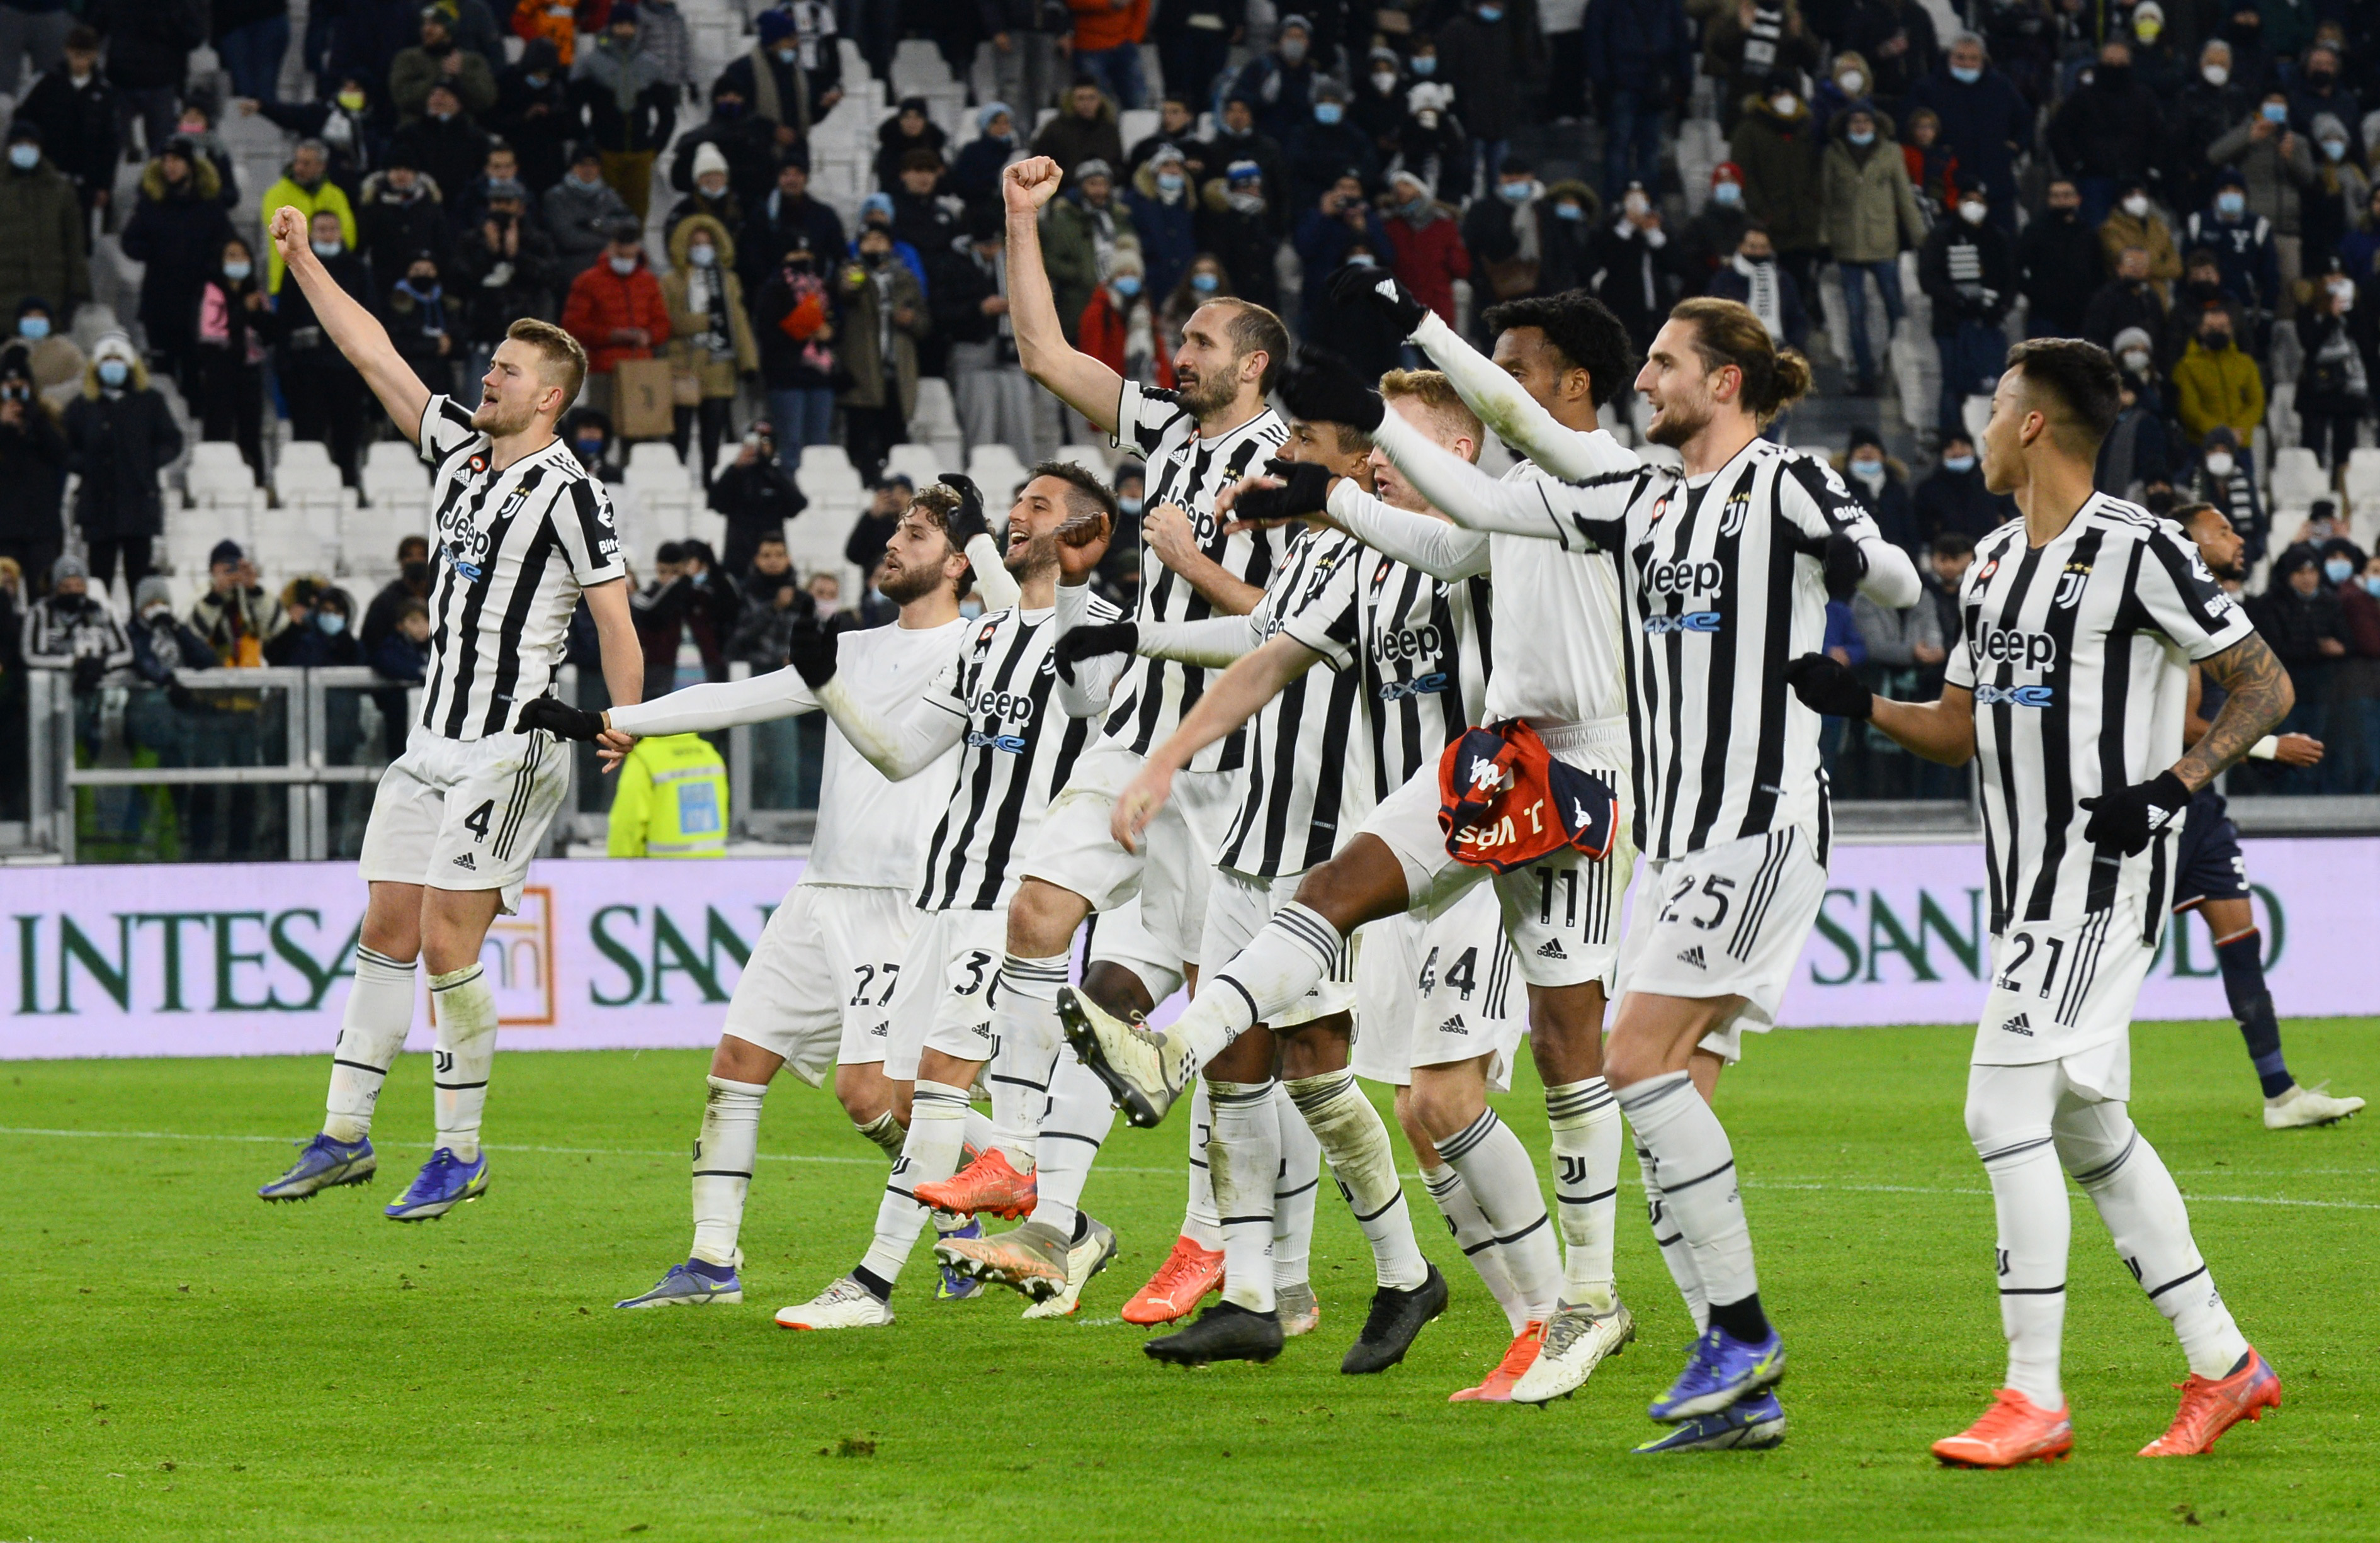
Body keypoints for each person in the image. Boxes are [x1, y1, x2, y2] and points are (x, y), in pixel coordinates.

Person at [1142, 292, 1918, 1441]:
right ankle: (1180, 1045)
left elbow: (1470, 486)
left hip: (1592, 769)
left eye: (1517, 369)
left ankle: (1602, 1303)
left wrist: (1406, 358)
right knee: (1345, 902)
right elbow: (1451, 535)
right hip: (1502, 752)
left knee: (1581, 1053)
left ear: (1564, 384)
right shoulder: (1557, 493)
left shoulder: (1615, 478)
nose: (1496, 386)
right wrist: (1338, 494)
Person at [1794, 338, 2289, 1467]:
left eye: (1992, 405)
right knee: (2089, 1129)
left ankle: (2033, 1396)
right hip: (2024, 887)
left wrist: (2173, 786)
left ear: (2031, 423)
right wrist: (1862, 703)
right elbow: (1961, 728)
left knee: (1997, 1114)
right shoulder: (1993, 563)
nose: (1977, 425)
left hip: (2103, 881)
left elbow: (2265, 681)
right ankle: (2225, 1361)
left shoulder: (2141, 548)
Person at [523, 480, 1009, 1313]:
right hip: (819, 891)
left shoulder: (984, 648)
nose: (894, 542)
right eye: (897, 529)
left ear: (960, 562)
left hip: (906, 901)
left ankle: (1015, 1200)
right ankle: (713, 1260)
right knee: (737, 1064)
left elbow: (1026, 615)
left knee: (876, 1096)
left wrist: (983, 536)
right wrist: (615, 716)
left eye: (919, 534)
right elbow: (730, 700)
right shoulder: (850, 649)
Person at [252, 195, 644, 1221]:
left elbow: (616, 621)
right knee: (385, 926)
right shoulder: (465, 452)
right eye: (492, 366)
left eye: (508, 371)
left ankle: (460, 1150)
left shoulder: (574, 495)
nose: (488, 376)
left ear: (550, 396)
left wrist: (630, 721)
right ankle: (344, 1135)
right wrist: (302, 260)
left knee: (445, 944)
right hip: (432, 743)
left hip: (509, 752)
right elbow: (374, 353)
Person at [759, 473, 1125, 1332]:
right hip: (941, 887)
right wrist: (830, 689)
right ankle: (1065, 1223)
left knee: (938, 1082)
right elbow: (900, 753)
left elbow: (1103, 727)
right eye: (1016, 504)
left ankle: (872, 1282)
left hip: (1018, 894)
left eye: (1039, 505)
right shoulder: (988, 635)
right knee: (887, 1087)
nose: (1017, 515)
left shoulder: (1107, 631)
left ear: (1087, 529)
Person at [2169, 502, 2363, 1124]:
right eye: (2221, 529)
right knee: (2110, 956)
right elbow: (2179, 723)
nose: (2237, 537)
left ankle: (2280, 1095)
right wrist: (2267, 747)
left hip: (2204, 810)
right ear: (2187, 542)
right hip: (2158, 806)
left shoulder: (2217, 611)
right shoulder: (2171, 615)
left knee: (2242, 945)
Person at [62, 334, 179, 594]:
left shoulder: (150, 402)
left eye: (118, 359)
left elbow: (172, 441)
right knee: (98, 581)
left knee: (140, 582)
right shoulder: (82, 406)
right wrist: (86, 465)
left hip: (138, 503)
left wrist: (147, 462)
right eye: (106, 360)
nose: (112, 365)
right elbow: (64, 447)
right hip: (98, 506)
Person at [1818, 105, 1924, 397]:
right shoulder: (1833, 153)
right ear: (1847, 124)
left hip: (1883, 243)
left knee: (1896, 310)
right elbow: (1825, 199)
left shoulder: (1891, 152)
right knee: (1855, 314)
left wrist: (1920, 237)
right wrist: (1824, 239)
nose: (1861, 125)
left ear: (1876, 124)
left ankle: (1896, 366)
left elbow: (1904, 196)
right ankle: (1866, 376)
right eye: (1856, 120)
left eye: (1867, 120)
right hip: (1847, 245)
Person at [116, 141, 235, 385]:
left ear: (190, 166)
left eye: (176, 161)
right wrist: (153, 252)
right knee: (163, 370)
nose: (170, 167)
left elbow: (229, 243)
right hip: (160, 299)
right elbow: (129, 240)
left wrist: (209, 266)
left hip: (199, 299)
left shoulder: (209, 204)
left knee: (197, 369)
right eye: (166, 161)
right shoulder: (152, 202)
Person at [660, 213, 757, 487]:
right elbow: (669, 321)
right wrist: (706, 321)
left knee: (714, 432)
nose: (702, 248)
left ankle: (712, 484)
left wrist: (749, 362)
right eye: (696, 243)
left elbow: (738, 320)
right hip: (682, 364)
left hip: (719, 364)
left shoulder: (728, 280)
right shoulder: (671, 281)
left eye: (707, 242)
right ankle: (677, 482)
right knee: (679, 432)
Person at [1905, 31, 2031, 230]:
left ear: (1983, 59)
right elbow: (1911, 128)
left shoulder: (2001, 87)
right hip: (1948, 187)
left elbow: (2024, 121)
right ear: (1949, 57)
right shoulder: (1927, 88)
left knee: (2003, 249)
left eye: (1973, 58)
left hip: (1996, 185)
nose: (1966, 63)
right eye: (1960, 57)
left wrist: (2015, 147)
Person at [836, 223, 928, 485]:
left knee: (896, 440)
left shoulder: (905, 278)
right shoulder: (853, 272)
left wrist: (911, 320)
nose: (875, 245)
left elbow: (925, 323)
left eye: (880, 239)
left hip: (897, 373)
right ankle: (866, 491)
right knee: (862, 442)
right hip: (863, 373)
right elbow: (847, 291)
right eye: (868, 240)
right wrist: (861, 268)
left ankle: (896, 494)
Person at [1920, 189, 2016, 440]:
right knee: (1953, 383)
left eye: (1980, 201)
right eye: (1969, 201)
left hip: (1989, 324)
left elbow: (2010, 278)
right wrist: (1959, 300)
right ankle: (1952, 439)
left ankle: (1989, 438)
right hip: (1951, 325)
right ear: (1959, 203)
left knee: (1990, 383)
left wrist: (2001, 307)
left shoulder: (1997, 237)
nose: (1975, 206)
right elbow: (1928, 278)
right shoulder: (1941, 235)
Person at [569, 4, 676, 220]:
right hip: (605, 153)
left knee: (637, 218)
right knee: (603, 217)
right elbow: (572, 109)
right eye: (620, 24)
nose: (625, 30)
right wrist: (588, 143)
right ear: (610, 27)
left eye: (630, 25)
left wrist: (654, 147)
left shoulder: (650, 65)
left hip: (640, 154)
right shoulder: (591, 63)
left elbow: (668, 112)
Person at [1585, 0, 1694, 205]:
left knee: (1620, 146)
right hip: (1655, 82)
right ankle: (1649, 202)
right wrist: (1684, 80)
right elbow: (1680, 36)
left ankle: (1617, 202)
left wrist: (1601, 81)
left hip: (1621, 80)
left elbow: (1595, 37)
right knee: (1649, 147)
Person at [559, 217, 669, 420]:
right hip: (604, 369)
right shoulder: (588, 281)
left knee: (641, 428)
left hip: (641, 368)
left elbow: (662, 323)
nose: (626, 260)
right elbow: (573, 327)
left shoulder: (648, 281)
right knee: (601, 423)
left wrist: (649, 336)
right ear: (611, 248)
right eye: (621, 255)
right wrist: (612, 336)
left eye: (630, 255)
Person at [15, 25, 120, 233]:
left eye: (86, 55)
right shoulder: (48, 84)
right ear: (67, 51)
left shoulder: (105, 93)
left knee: (80, 238)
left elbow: (110, 143)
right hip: (47, 176)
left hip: (85, 182)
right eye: (76, 54)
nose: (81, 61)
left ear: (95, 55)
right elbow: (24, 124)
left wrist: (104, 185)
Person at [1728, 82, 1825, 302]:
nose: (1786, 98)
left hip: (1803, 225)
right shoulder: (1749, 130)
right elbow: (1745, 176)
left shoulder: (1808, 127)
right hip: (1769, 228)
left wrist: (1813, 205)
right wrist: (1765, 214)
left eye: (1791, 93)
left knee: (1799, 282)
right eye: (1780, 93)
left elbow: (1818, 171)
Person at [752, 246, 839, 471]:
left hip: (821, 375)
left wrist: (830, 332)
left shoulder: (824, 288)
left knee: (819, 445)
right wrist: (802, 333)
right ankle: (792, 499)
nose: (803, 258)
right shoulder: (773, 289)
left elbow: (840, 322)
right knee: (791, 444)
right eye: (796, 252)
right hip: (785, 376)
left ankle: (818, 495)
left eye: (808, 253)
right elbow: (765, 332)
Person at [0, 121, 88, 325]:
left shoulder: (60, 190)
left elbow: (74, 246)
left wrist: (77, 293)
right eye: (19, 145)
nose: (25, 150)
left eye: (31, 145)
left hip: (48, 302)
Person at [20, 553, 130, 698]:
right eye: (66, 586)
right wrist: (73, 662)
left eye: (78, 585)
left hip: (99, 684)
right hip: (53, 688)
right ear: (56, 587)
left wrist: (100, 663)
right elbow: (31, 655)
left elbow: (126, 652)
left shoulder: (101, 611)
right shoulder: (39, 613)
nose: (73, 591)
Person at [605, 732, 728, 857]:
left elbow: (627, 824)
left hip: (663, 870)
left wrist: (619, 870)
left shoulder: (645, 759)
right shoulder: (710, 756)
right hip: (712, 870)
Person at [0, 356, 66, 587]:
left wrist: (35, 418)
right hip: (5, 530)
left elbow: (61, 454)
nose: (15, 391)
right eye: (9, 386)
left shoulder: (46, 416)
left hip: (42, 529)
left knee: (43, 593)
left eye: (21, 385)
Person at [261, 140, 359, 295]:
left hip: (331, 283)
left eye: (306, 163)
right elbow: (283, 231)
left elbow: (348, 236)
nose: (299, 168)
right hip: (287, 282)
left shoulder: (335, 195)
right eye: (298, 162)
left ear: (321, 166)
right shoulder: (276, 194)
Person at [2295, 269, 2369, 471]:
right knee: (2312, 450)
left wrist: (2351, 311)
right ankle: (2313, 493)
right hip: (2316, 388)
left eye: (2341, 277)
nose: (2337, 282)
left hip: (2347, 389)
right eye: (2331, 277)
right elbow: (2310, 344)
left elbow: (2365, 344)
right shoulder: (2307, 310)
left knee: (2345, 452)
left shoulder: (2355, 311)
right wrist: (2331, 318)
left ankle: (2342, 491)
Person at [708, 421, 804, 575]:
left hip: (771, 561)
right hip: (738, 559)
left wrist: (770, 470)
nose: (760, 447)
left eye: (765, 442)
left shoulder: (777, 476)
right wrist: (735, 468)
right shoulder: (735, 475)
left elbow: (798, 505)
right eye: (755, 442)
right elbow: (715, 503)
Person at [739, 154, 845, 291]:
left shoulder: (824, 216)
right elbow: (753, 259)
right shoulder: (763, 217)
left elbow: (840, 256)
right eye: (786, 174)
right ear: (778, 179)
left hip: (817, 298)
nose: (791, 180)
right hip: (774, 299)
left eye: (797, 174)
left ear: (806, 178)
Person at [2015, 179, 2101, 340]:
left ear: (2078, 199)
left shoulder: (2088, 233)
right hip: (2045, 318)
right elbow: (2016, 269)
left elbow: (2098, 272)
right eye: (2056, 196)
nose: (2062, 201)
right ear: (2049, 200)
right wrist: (2037, 295)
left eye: (2067, 195)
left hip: (2081, 318)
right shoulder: (2035, 231)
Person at [1705, 223, 1809, 351]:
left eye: (1764, 247)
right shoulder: (1725, 279)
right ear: (1740, 246)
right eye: (1753, 247)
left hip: (1779, 349)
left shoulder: (1783, 279)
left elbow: (1796, 317)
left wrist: (1793, 348)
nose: (1759, 253)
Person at [392, 6, 498, 124]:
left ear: (449, 29)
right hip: (417, 131)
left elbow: (486, 100)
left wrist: (462, 75)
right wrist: (440, 75)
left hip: (461, 132)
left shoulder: (472, 61)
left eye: (434, 25)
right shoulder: (408, 58)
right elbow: (403, 98)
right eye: (425, 24)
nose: (427, 30)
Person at [1031, 77, 1126, 189]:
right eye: (1081, 99)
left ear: (1100, 100)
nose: (1087, 104)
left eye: (1092, 98)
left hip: (1105, 192)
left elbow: (1118, 165)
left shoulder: (1109, 129)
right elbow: (1040, 165)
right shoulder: (1055, 129)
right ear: (1071, 101)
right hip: (1066, 191)